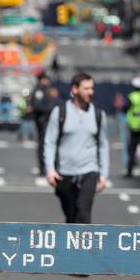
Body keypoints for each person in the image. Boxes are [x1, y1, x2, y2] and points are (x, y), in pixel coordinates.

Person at [43, 73, 109, 224]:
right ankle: (71, 247)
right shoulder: (60, 112)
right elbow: (50, 142)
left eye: (92, 88)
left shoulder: (98, 115)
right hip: (64, 173)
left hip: (89, 172)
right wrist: (50, 170)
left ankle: (85, 247)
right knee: (71, 216)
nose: (90, 92)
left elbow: (103, 145)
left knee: (83, 214)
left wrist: (104, 174)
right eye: (86, 89)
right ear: (75, 89)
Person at [30, 74, 57, 174]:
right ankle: (43, 167)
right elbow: (37, 106)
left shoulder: (50, 90)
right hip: (43, 120)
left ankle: (52, 166)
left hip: (51, 120)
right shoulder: (39, 91)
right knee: (44, 144)